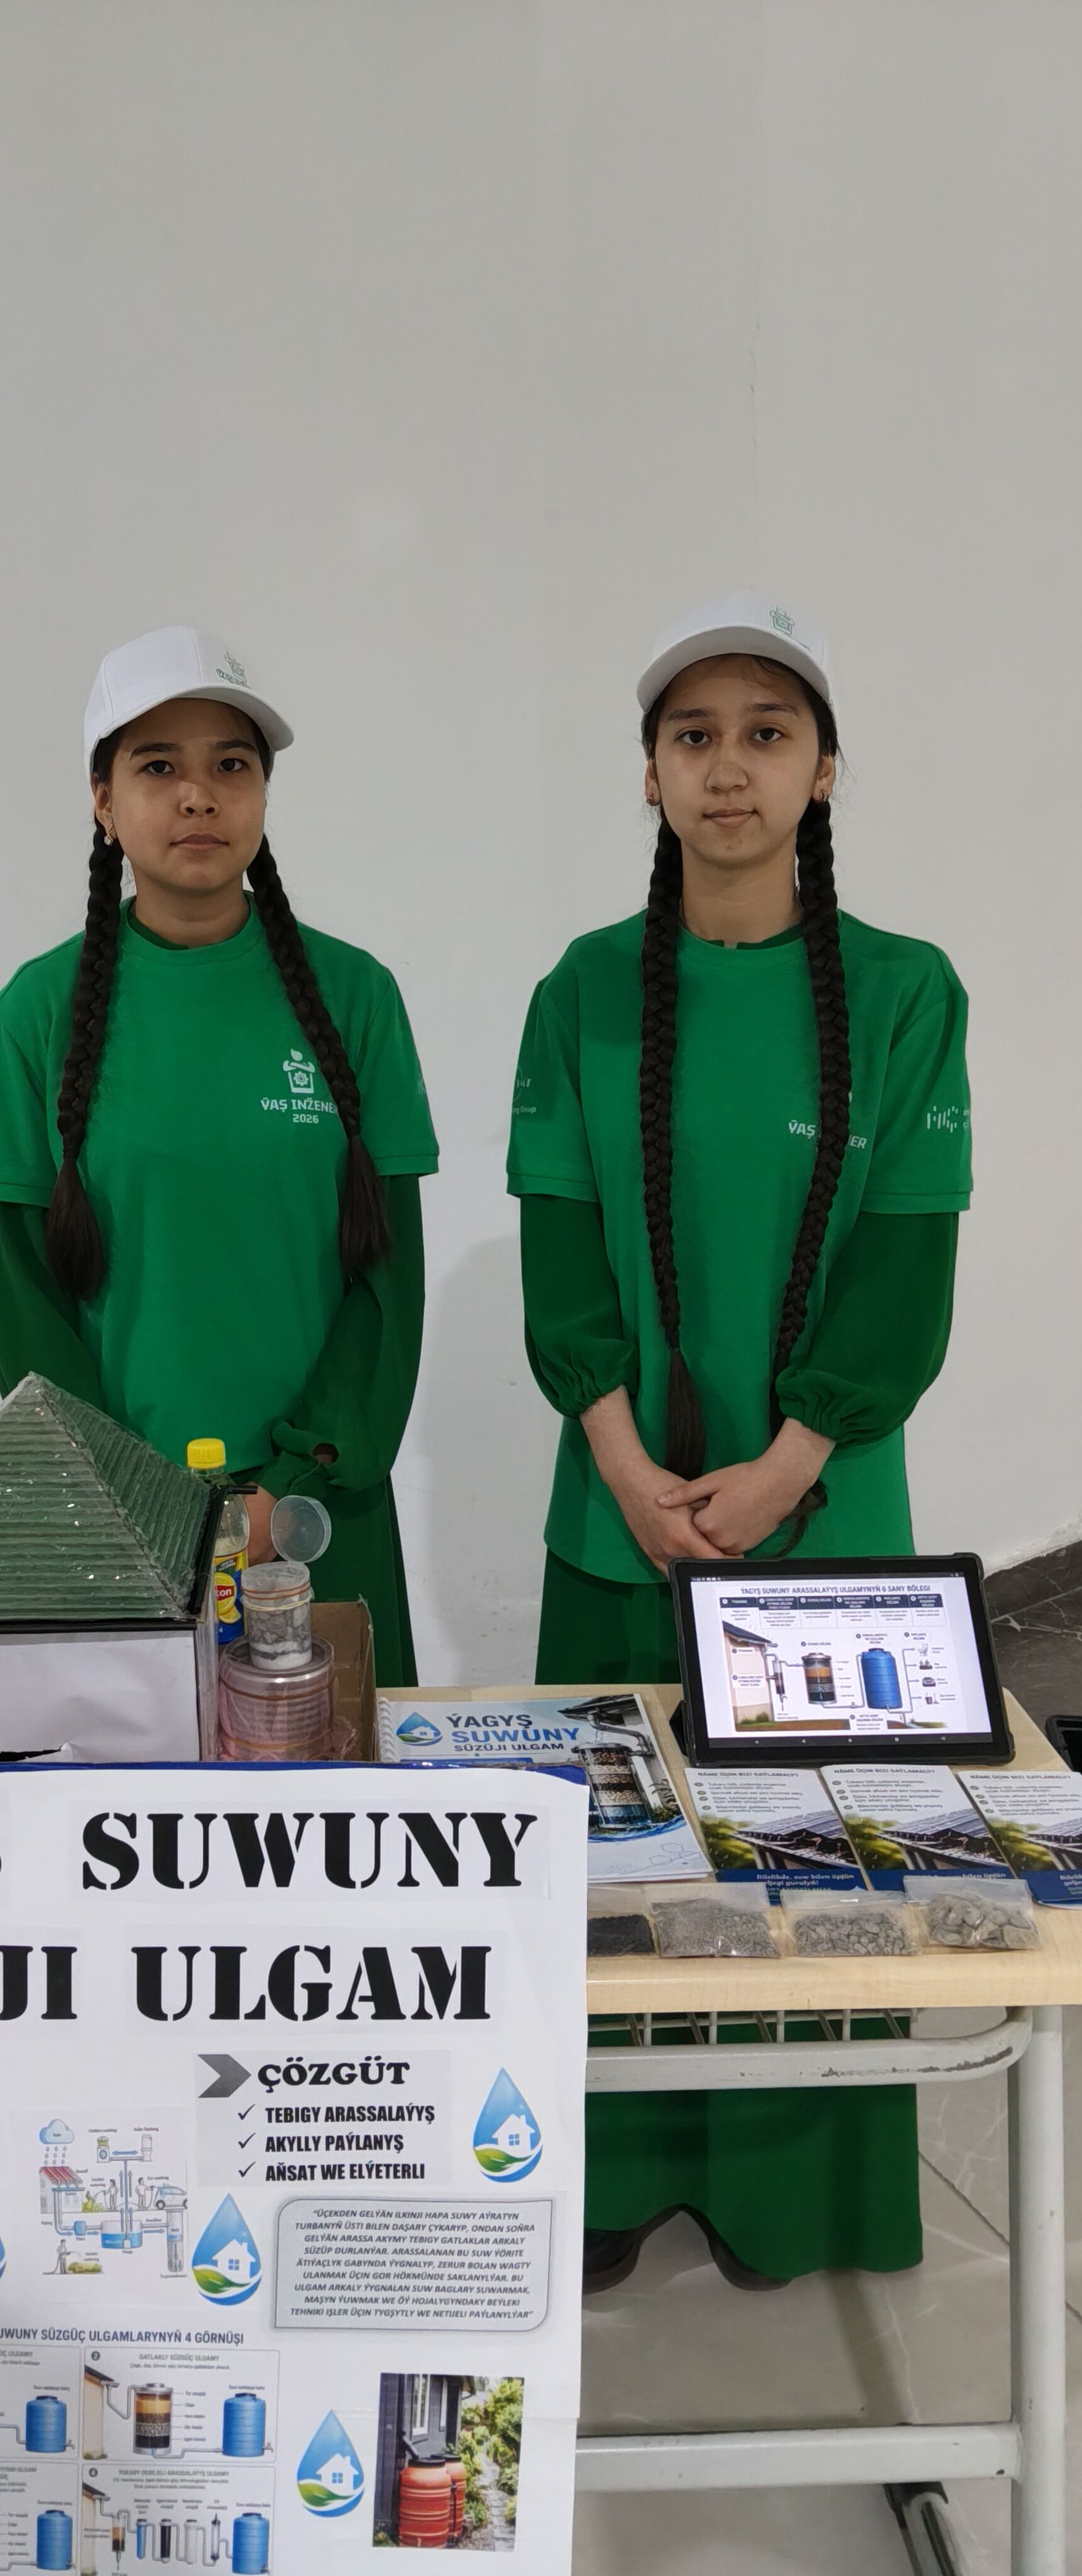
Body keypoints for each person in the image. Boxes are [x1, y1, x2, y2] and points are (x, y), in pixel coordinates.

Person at [508, 592, 971, 2287]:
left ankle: (800, 2198)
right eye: (693, 735)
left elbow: (905, 1269)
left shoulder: (908, 993)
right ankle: (616, 2182)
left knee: (812, 1874)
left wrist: (791, 1462)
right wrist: (627, 1459)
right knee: (616, 1872)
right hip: (619, 1511)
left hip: (825, 1528)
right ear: (648, 772)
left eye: (768, 734)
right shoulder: (583, 991)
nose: (730, 768)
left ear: (824, 769)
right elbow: (565, 1254)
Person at [0, 626, 438, 1684]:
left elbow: (385, 1282)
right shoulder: (30, 1017)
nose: (198, 796)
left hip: (319, 1514)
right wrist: (143, 1501)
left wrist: (291, 1487)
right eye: (158, 767)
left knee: (337, 1775)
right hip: (118, 1529)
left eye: (231, 766)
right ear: (103, 801)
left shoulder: (356, 998)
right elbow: (23, 1307)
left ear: (263, 795)